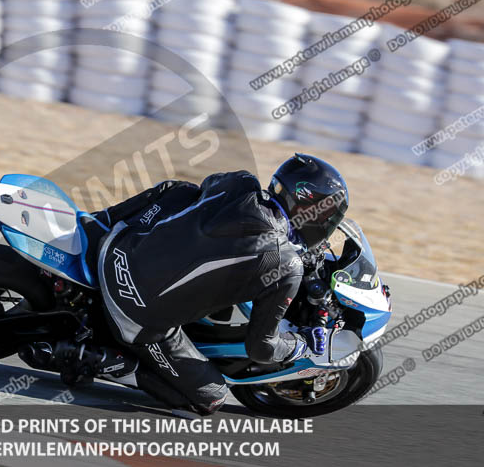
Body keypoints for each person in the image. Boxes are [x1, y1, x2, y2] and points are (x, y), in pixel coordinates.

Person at [67, 153, 349, 415]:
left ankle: (99, 221)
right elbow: (261, 349)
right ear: (313, 211)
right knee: (211, 396)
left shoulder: (241, 182)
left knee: (182, 192)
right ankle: (103, 361)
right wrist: (300, 346)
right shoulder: (287, 266)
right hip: (134, 313)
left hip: (116, 247)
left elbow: (211, 196)